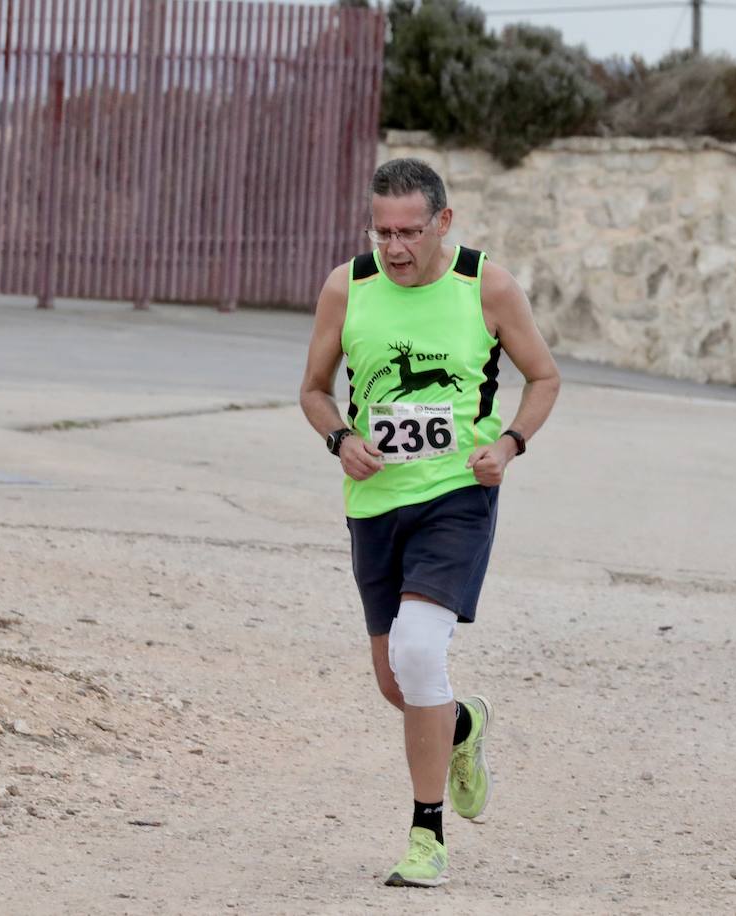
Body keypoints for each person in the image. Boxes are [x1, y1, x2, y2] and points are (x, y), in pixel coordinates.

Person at [298, 158, 560, 887]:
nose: (395, 247)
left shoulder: (486, 285)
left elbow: (544, 376)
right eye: (382, 232)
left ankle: (426, 835)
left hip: (457, 496)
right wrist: (339, 439)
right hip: (375, 504)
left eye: (410, 232)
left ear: (443, 222)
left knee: (418, 651)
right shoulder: (347, 287)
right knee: (399, 683)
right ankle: (465, 724)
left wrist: (508, 445)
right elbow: (314, 390)